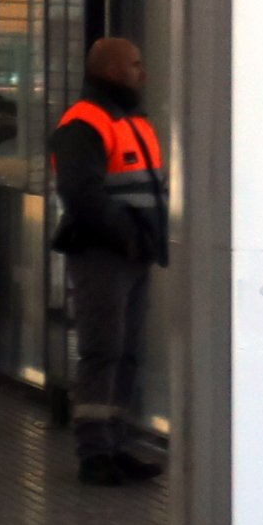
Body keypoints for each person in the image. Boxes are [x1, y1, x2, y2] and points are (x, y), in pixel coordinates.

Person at [52, 35, 172, 484]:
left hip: (134, 252)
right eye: (135, 64)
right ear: (110, 71)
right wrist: (127, 236)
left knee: (127, 353)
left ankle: (118, 443)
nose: (143, 72)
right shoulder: (84, 123)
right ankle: (95, 451)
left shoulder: (133, 120)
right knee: (103, 351)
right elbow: (81, 193)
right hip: (102, 253)